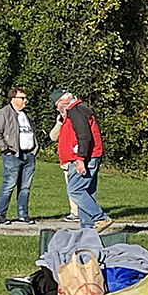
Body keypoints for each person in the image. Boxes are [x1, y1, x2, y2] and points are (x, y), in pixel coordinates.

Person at [49, 89, 111, 231]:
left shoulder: (75, 111)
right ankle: (87, 230)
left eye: (56, 105)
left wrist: (80, 159)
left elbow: (84, 136)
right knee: (86, 193)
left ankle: (100, 218)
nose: (57, 109)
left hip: (85, 158)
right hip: (90, 156)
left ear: (62, 101)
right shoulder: (78, 110)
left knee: (75, 190)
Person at [0, 88, 38, 225]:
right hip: (13, 155)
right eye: (22, 98)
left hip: (28, 154)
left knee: (25, 187)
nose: (25, 101)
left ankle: (23, 214)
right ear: (13, 99)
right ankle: (0, 214)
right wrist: (5, 149)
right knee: (9, 184)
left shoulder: (26, 114)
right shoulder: (4, 113)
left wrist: (34, 149)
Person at [49, 115, 79, 221]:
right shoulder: (63, 123)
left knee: (77, 188)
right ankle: (75, 211)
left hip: (76, 159)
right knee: (71, 187)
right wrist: (59, 123)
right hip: (66, 161)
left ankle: (80, 212)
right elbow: (53, 137)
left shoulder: (77, 121)